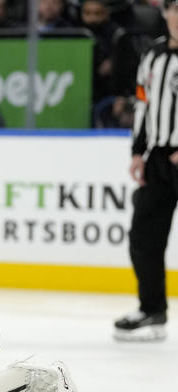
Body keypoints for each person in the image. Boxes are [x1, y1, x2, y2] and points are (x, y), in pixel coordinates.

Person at [115, 0, 178, 341]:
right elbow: (143, 103)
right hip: (157, 159)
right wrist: (138, 151)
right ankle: (152, 310)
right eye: (175, 10)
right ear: (165, 14)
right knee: (144, 237)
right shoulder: (152, 56)